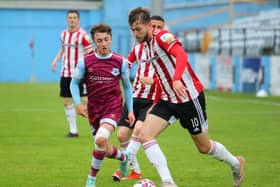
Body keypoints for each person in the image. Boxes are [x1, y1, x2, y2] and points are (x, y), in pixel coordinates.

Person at [128, 7, 245, 187]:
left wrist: (176, 79)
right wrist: (156, 102)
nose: (135, 34)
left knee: (203, 147)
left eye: (139, 29)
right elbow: (160, 75)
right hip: (167, 99)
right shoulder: (145, 46)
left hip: (188, 98)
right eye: (133, 30)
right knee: (145, 135)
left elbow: (181, 55)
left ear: (149, 25)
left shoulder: (162, 37)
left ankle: (236, 164)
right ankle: (168, 182)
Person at [70, 23, 135, 187]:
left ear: (111, 39)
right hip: (93, 109)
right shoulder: (85, 62)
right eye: (99, 41)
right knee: (101, 147)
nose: (104, 44)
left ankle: (91, 179)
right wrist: (78, 104)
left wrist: (130, 110)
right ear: (94, 42)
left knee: (100, 139)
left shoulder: (121, 61)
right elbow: (73, 84)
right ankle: (123, 157)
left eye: (106, 39)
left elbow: (127, 87)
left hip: (112, 107)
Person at [111, 15, 171, 182]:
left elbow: (173, 76)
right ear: (149, 26)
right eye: (155, 25)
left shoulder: (166, 49)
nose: (157, 29)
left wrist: (154, 81)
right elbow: (127, 64)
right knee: (122, 135)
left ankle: (122, 164)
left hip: (152, 99)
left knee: (138, 130)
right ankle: (135, 171)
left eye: (160, 26)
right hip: (134, 97)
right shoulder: (139, 48)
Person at [51, 9, 93, 137]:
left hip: (80, 74)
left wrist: (90, 69)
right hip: (65, 72)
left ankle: (97, 127)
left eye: (75, 17)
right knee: (67, 101)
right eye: (70, 17)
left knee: (87, 100)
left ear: (78, 20)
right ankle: (73, 131)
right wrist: (56, 60)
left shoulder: (84, 36)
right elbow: (64, 48)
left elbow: (91, 54)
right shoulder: (63, 34)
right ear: (66, 19)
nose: (72, 20)